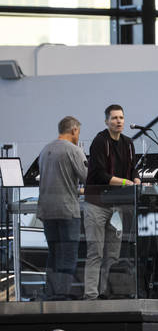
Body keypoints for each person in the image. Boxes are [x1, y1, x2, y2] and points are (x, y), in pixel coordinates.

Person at [83, 104, 139, 299]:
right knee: (95, 253)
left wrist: (137, 179)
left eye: (121, 118)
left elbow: (133, 168)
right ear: (107, 121)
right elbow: (98, 173)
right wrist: (125, 182)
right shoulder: (100, 141)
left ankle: (106, 294)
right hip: (96, 204)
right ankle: (90, 296)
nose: (119, 121)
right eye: (114, 118)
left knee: (112, 256)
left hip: (117, 206)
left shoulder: (128, 143)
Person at [38, 116, 87, 300]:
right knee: (68, 255)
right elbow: (88, 177)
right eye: (78, 133)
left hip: (47, 211)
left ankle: (50, 294)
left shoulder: (45, 150)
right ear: (74, 130)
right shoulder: (74, 150)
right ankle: (62, 295)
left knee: (53, 253)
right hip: (67, 211)